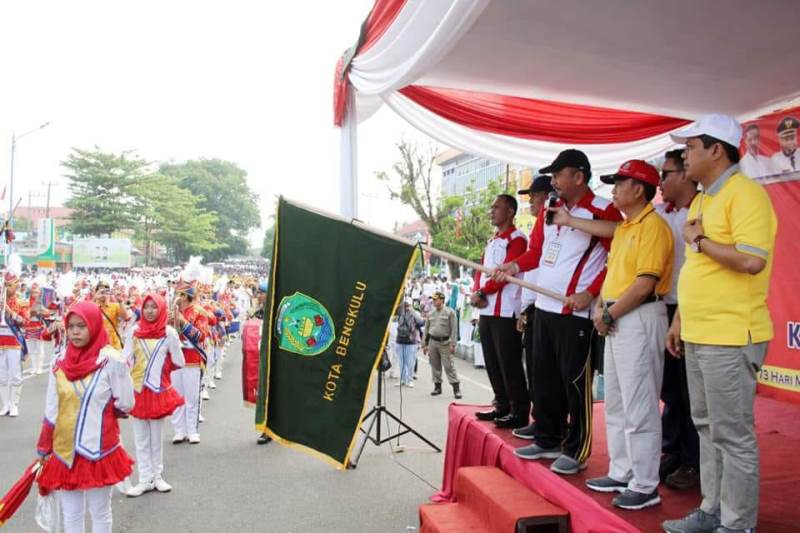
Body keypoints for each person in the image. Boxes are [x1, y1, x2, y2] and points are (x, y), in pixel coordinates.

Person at [663, 114, 777, 533]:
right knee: (706, 428)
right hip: (698, 332)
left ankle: (738, 524)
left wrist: (700, 240)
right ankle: (712, 511)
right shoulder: (703, 200)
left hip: (730, 335)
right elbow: (697, 272)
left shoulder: (745, 194)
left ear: (716, 150)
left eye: (690, 147)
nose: (683, 156)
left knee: (733, 434)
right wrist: (678, 320)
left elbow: (751, 260)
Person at [494, 150, 621, 475]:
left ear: (578, 176)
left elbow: (618, 258)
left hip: (575, 314)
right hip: (545, 307)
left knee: (574, 383)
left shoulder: (603, 210)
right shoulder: (550, 211)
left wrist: (590, 294)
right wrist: (512, 265)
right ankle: (547, 436)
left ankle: (576, 448)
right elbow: (536, 251)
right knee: (544, 379)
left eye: (557, 175)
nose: (552, 181)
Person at [573, 160, 673, 510]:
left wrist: (610, 312)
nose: (614, 189)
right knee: (615, 400)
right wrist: (602, 308)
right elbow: (612, 278)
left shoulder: (653, 226)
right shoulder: (626, 227)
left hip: (639, 316)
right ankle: (622, 470)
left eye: (620, 182)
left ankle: (646, 484)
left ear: (639, 188)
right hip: (617, 316)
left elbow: (645, 284)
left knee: (639, 403)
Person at [35, 301, 135, 533]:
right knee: (71, 515)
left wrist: (108, 411)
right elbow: (52, 409)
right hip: (64, 451)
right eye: (71, 327)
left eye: (82, 325)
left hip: (99, 449)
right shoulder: (58, 362)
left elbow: (127, 402)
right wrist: (43, 448)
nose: (76, 331)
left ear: (94, 325)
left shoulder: (112, 360)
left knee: (100, 512)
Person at [655, 150, 701, 491]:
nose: (660, 182)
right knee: (669, 388)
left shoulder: (703, 212)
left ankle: (694, 461)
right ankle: (673, 450)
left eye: (666, 173)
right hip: (663, 307)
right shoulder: (659, 214)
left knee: (690, 392)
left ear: (685, 174)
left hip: (692, 311)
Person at [472, 194, 529, 429]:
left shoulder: (517, 239)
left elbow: (505, 274)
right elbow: (481, 270)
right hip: (486, 311)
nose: (492, 211)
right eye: (492, 206)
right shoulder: (492, 240)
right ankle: (501, 405)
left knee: (509, 363)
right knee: (492, 362)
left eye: (497, 207)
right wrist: (476, 292)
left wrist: (483, 291)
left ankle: (519, 411)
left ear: (511, 212)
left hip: (506, 311)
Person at [124, 293, 186, 497]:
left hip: (157, 391)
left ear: (160, 309)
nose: (149, 311)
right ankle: (144, 479)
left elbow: (179, 360)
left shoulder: (168, 333)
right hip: (138, 391)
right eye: (146, 307)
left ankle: (157, 476)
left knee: (156, 437)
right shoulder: (134, 331)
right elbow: (126, 358)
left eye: (154, 307)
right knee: (140, 438)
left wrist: (162, 370)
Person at [512, 174, 553, 441]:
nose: (530, 202)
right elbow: (530, 268)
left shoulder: (555, 222)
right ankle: (540, 421)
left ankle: (551, 426)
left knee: (546, 373)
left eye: (533, 195)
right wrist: (524, 309)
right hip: (535, 305)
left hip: (550, 305)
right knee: (536, 370)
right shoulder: (541, 226)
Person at [170, 280, 209, 445]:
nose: (176, 297)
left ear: (187, 295)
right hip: (175, 359)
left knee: (191, 398)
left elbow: (200, 336)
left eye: (180, 294)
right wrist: (169, 320)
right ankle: (179, 430)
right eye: (176, 294)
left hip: (192, 359)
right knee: (177, 398)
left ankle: (192, 431)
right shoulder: (171, 311)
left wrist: (182, 321)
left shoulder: (199, 312)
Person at [0, 263, 30, 418]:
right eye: (5, 284)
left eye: (9, 285)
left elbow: (25, 322)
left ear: (16, 286)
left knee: (15, 375)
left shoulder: (21, 302)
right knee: (2, 376)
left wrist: (9, 311)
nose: (6, 287)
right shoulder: (0, 299)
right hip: (0, 342)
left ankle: (14, 405)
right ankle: (5, 404)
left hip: (14, 342)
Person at [423, 291, 461, 398]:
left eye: (436, 300)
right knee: (435, 365)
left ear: (442, 300)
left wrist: (453, 344)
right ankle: (437, 387)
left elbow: (454, 329)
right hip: (432, 342)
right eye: (433, 300)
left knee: (449, 366)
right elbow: (426, 330)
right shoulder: (431, 313)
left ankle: (456, 388)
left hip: (445, 343)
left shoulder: (450, 312)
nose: (434, 302)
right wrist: (424, 344)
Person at [93, 281, 131, 350]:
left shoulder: (115, 306)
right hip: (97, 346)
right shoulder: (92, 306)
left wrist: (120, 301)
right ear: (96, 292)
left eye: (106, 291)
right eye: (101, 291)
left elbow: (126, 318)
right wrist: (95, 298)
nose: (103, 294)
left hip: (114, 346)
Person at [395, 298, 423, 388]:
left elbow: (421, 322)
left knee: (410, 362)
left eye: (408, 305)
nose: (407, 306)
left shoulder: (415, 313)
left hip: (411, 341)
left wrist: (413, 312)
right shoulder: (400, 312)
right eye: (405, 304)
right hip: (400, 340)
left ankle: (410, 379)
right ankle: (402, 379)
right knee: (401, 361)